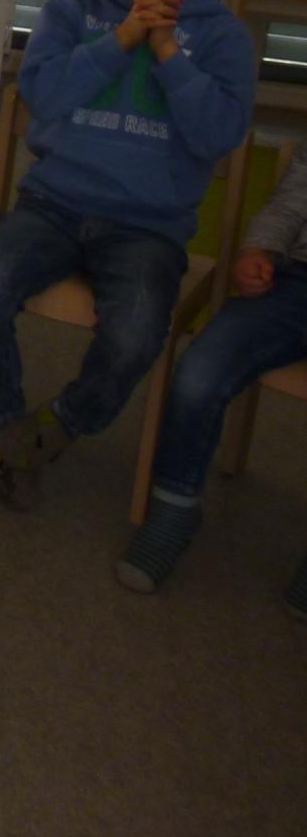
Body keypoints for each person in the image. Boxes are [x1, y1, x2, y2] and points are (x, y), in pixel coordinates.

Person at [0, 0, 253, 509]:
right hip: (54, 202)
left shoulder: (223, 36)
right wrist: (120, 39)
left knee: (138, 333)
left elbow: (219, 136)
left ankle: (57, 425)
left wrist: (170, 54)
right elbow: (43, 95)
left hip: (149, 225)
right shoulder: (73, 9)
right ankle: (8, 428)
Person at [117, 152, 307, 612]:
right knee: (199, 373)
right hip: (297, 282)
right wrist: (256, 252)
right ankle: (174, 508)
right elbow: (288, 206)